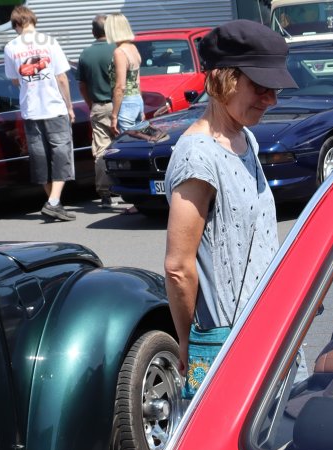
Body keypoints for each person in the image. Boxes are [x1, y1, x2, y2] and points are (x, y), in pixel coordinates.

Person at [164, 21, 297, 398]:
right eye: (260, 87)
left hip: (267, 330)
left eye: (275, 90)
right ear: (224, 78)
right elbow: (178, 267)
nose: (271, 100)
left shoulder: (243, 137)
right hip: (229, 343)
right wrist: (190, 343)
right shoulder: (198, 156)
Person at [4, 5, 76, 222]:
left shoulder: (10, 47)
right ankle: (53, 202)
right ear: (33, 21)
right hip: (54, 106)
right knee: (61, 153)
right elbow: (62, 77)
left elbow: (15, 79)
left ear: (16, 24)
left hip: (30, 109)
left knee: (40, 157)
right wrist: (69, 106)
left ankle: (54, 203)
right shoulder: (50, 41)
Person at [77, 15, 118, 205]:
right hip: (120, 104)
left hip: (98, 106)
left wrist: (90, 104)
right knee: (126, 147)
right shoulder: (118, 49)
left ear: (93, 32)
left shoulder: (85, 54)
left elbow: (82, 85)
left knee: (102, 149)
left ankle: (104, 193)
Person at [104, 13, 144, 135]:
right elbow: (137, 81)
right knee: (137, 143)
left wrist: (114, 115)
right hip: (137, 99)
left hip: (126, 103)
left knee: (128, 143)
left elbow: (120, 87)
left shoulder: (119, 52)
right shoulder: (133, 48)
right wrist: (141, 107)